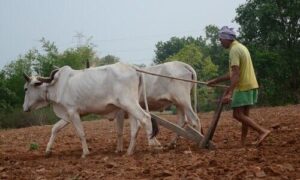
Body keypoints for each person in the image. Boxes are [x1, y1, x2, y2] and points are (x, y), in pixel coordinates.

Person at [207, 26, 271, 146]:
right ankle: (243, 142)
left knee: (237, 114)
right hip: (252, 85)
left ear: (226, 39)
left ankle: (262, 131)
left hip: (243, 86)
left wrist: (229, 93)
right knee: (244, 116)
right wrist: (215, 81)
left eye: (221, 40)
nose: (220, 42)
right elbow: (232, 73)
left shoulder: (234, 51)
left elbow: (236, 74)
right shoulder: (241, 47)